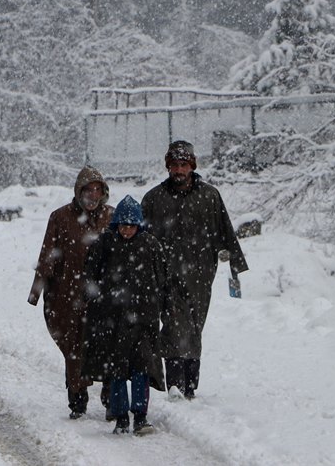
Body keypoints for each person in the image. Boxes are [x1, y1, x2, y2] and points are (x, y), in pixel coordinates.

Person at [142, 140, 248, 400]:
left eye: (183, 165)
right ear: (168, 167)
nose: (179, 170)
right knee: (173, 326)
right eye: (174, 165)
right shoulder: (155, 199)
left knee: (194, 327)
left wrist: (235, 265)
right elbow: (139, 237)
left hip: (200, 275)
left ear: (192, 166)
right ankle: (176, 384)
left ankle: (191, 385)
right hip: (166, 275)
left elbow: (225, 229)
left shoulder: (209, 196)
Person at [28, 166, 114, 420]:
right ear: (78, 191)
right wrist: (37, 291)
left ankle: (111, 397)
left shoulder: (111, 216)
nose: (93, 195)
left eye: (97, 189)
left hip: (103, 295)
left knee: (108, 344)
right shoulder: (61, 217)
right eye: (88, 189)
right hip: (68, 294)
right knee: (74, 346)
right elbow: (48, 254)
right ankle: (77, 398)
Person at [81, 195, 167, 435]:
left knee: (141, 370)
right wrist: (95, 300)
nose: (127, 229)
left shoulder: (151, 245)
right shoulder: (104, 244)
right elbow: (90, 277)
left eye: (131, 225)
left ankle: (140, 417)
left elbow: (161, 280)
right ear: (116, 224)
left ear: (138, 225)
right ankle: (120, 418)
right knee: (117, 371)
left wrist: (158, 306)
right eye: (123, 224)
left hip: (143, 321)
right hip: (113, 321)